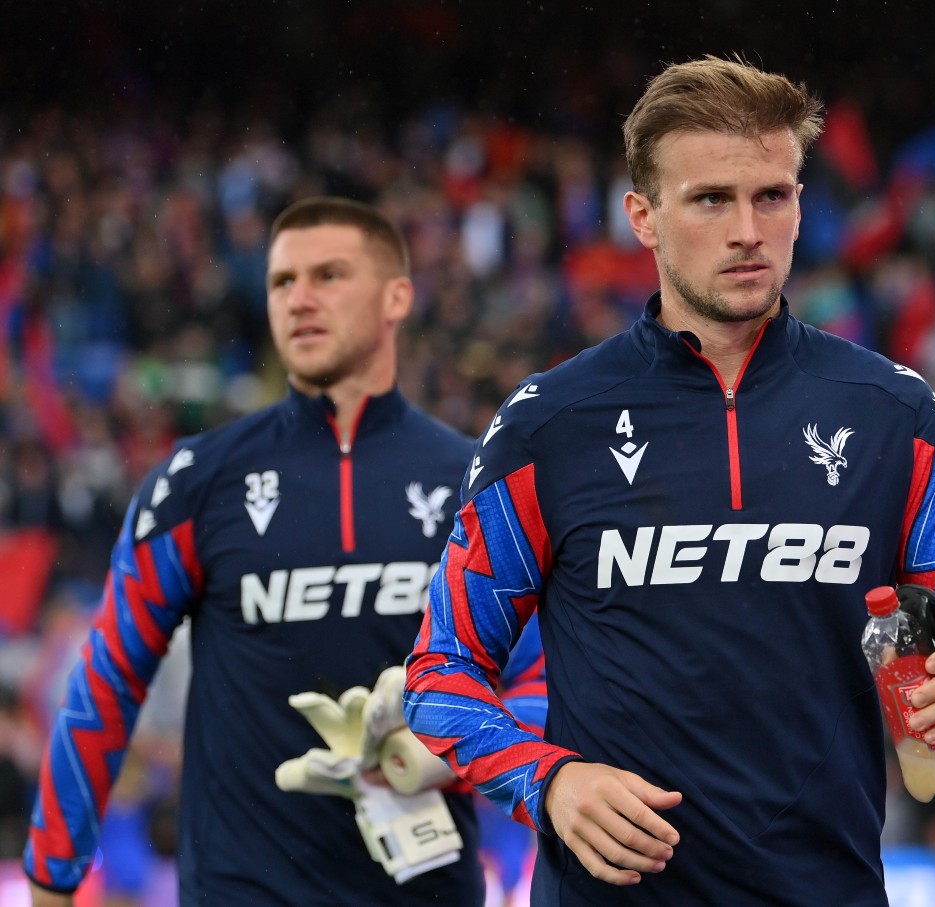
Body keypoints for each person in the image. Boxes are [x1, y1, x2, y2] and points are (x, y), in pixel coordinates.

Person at [403, 55, 935, 905]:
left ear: (798, 206)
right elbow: (440, 673)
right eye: (711, 199)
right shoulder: (546, 426)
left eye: (771, 196)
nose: (747, 229)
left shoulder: (897, 417)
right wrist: (549, 781)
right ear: (643, 216)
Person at [24, 196, 545, 906]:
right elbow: (104, 685)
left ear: (398, 296)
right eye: (280, 281)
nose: (299, 298)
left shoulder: (474, 482)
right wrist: (52, 880)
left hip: (424, 891)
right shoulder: (197, 481)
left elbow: (545, 683)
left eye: (329, 275)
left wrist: (450, 754)